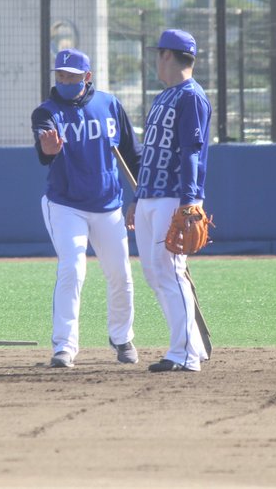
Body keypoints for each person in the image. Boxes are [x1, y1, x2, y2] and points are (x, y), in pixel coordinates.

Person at [31, 48, 142, 368]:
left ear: (87, 77)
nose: (65, 81)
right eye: (61, 75)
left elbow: (133, 154)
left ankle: (122, 338)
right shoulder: (46, 112)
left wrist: (142, 195)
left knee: (120, 274)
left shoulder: (109, 105)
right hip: (66, 204)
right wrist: (48, 150)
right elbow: (43, 152)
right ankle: (64, 346)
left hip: (108, 204)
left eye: (72, 76)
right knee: (72, 269)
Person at [126, 29, 212, 372]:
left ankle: (185, 353)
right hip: (150, 195)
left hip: (174, 197)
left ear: (167, 55)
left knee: (169, 271)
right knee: (154, 272)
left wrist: (190, 201)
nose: (156, 62)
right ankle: (192, 345)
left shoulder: (191, 96)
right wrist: (137, 197)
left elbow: (192, 152)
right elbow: (151, 153)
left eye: (158, 55)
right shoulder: (165, 96)